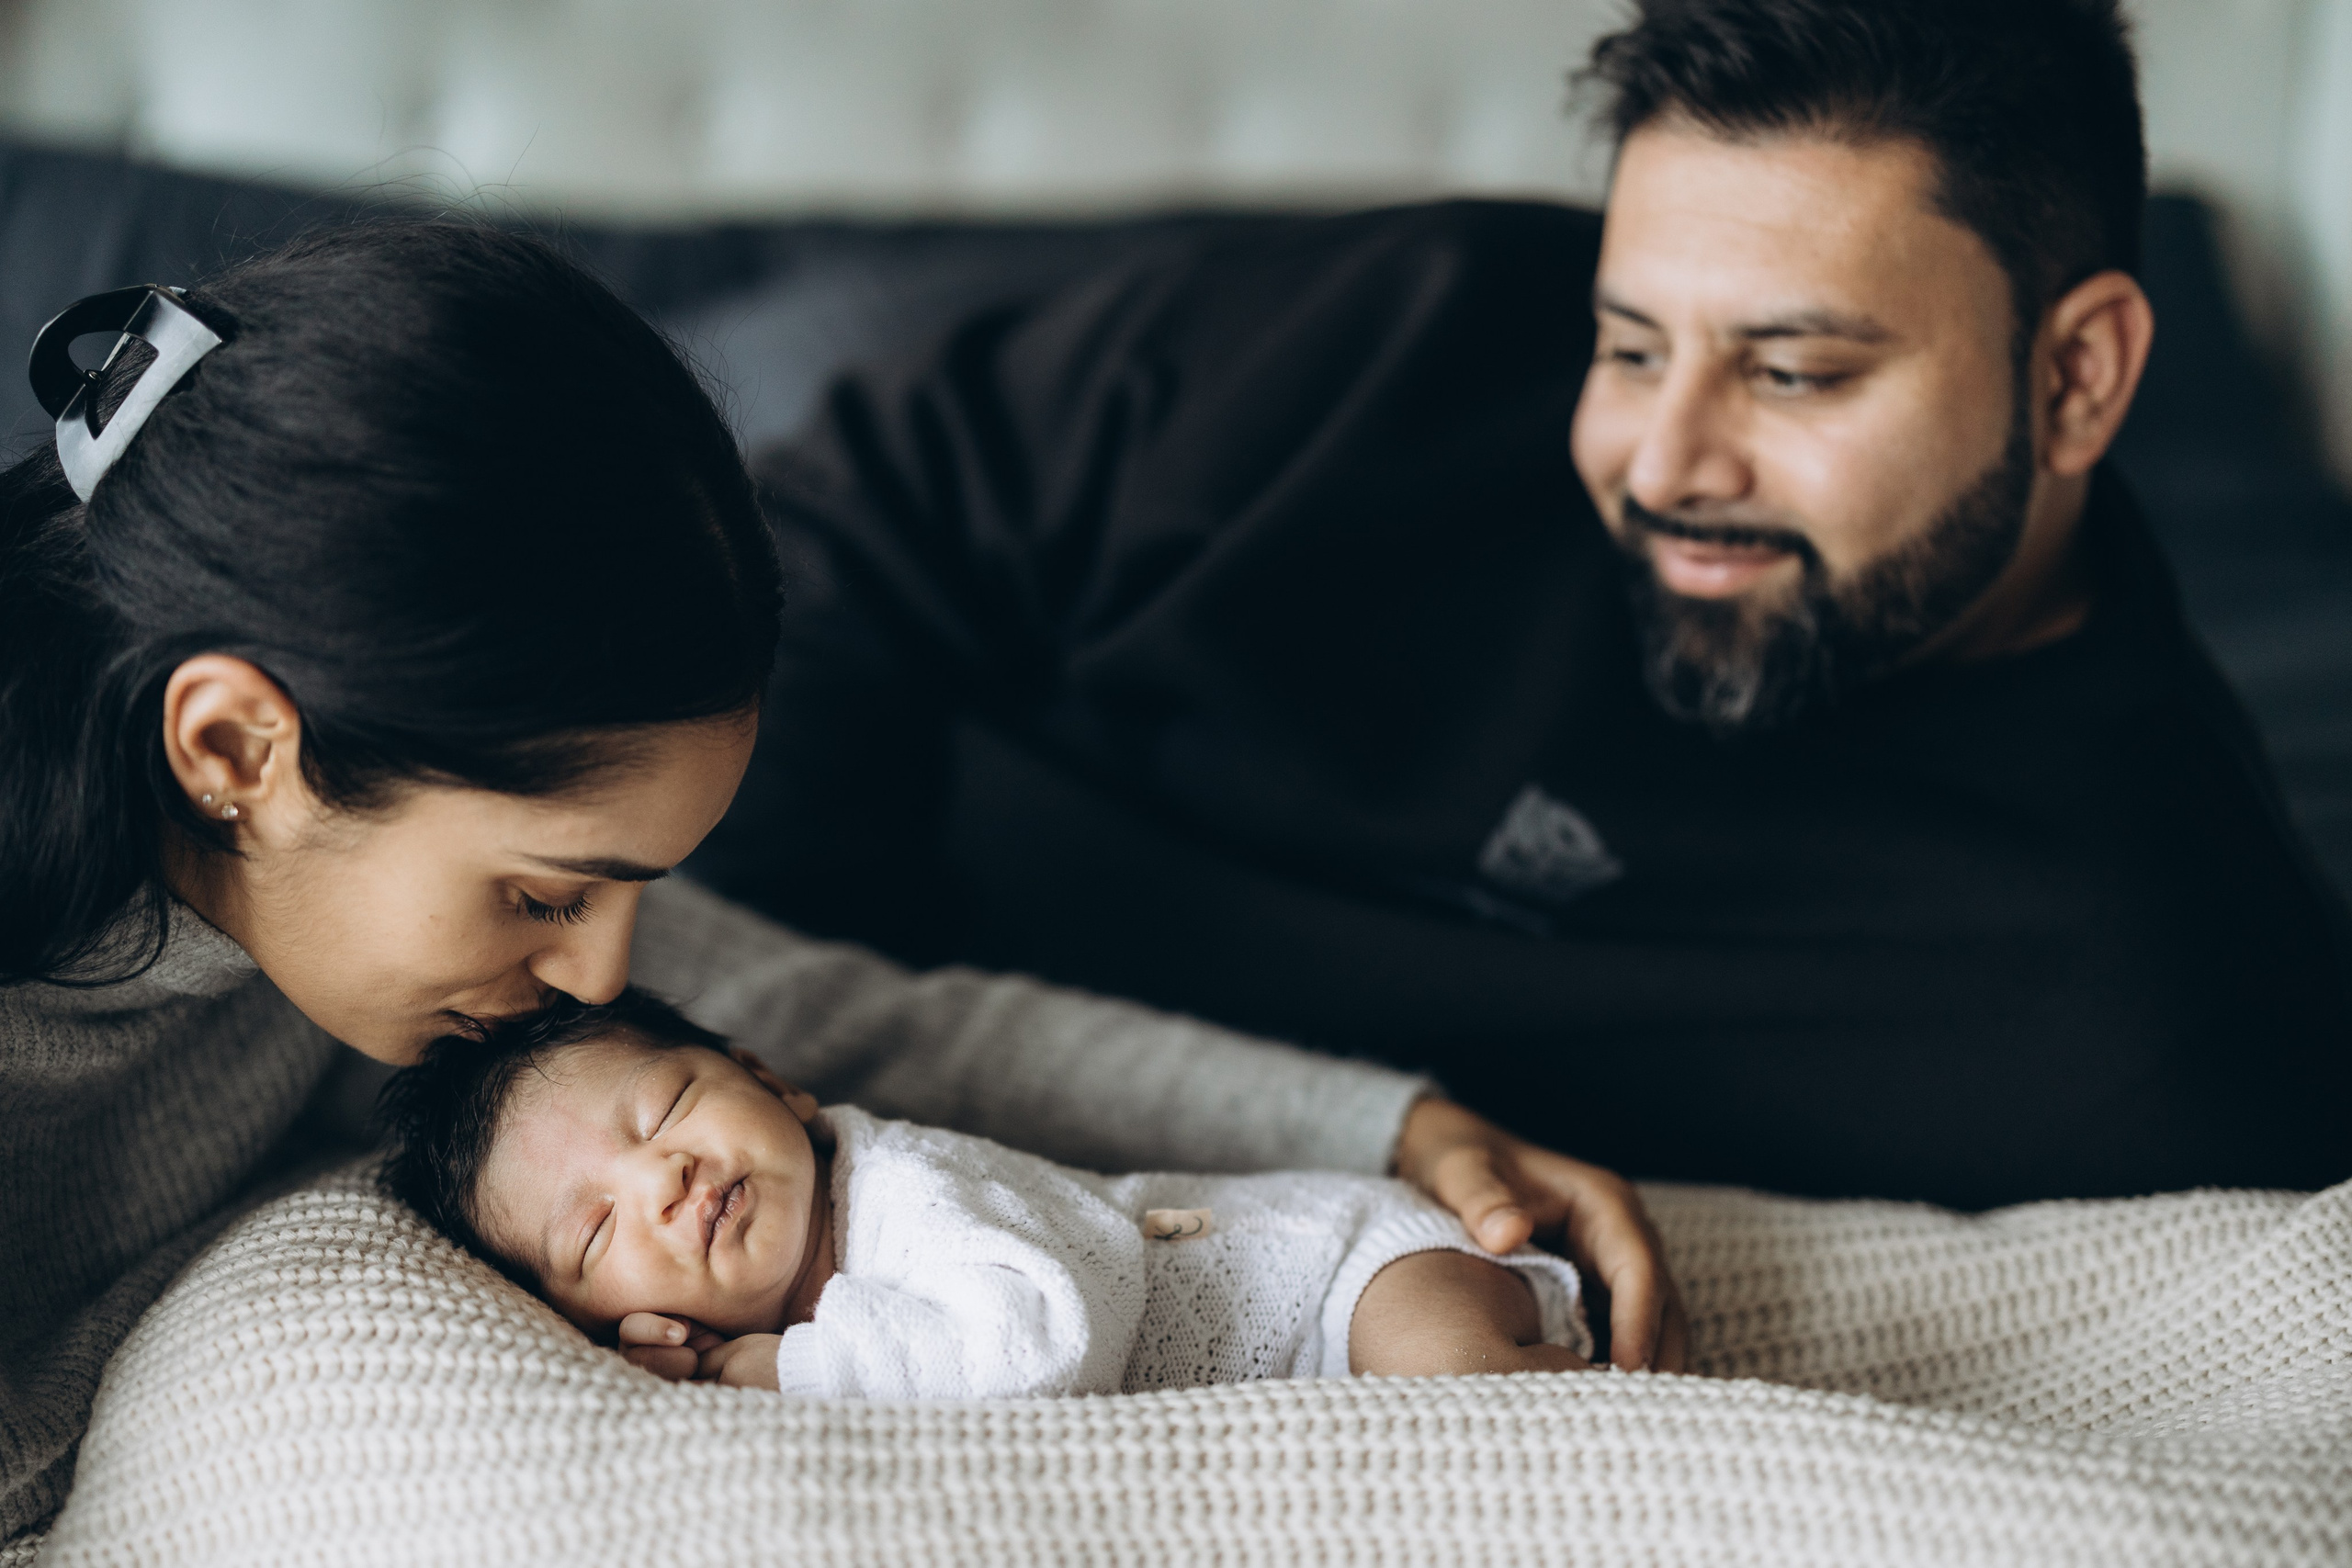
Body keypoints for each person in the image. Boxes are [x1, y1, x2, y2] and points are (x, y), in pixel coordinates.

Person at [0, 220, 1679, 1545]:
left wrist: (1392, 1127)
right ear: (234, 752)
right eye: (545, 893)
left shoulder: (355, 910)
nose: (599, 978)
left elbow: (852, 1017)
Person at [703, 0, 2352, 1210]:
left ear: (2077, 376)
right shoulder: (1406, 335)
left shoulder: (2168, 1025)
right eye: (1632, 346)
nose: (1661, 461)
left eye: (1794, 370)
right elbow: (832, 528)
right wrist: (815, 1049)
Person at [377, 988, 1595, 1397]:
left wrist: (784, 1371)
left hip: (1341, 1270)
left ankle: (1619, 1409)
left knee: (1455, 1396)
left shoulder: (906, 1186)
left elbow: (1043, 1338)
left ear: (774, 1083)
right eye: (593, 1232)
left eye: (670, 1108)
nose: (664, 1178)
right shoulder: (772, 1327)